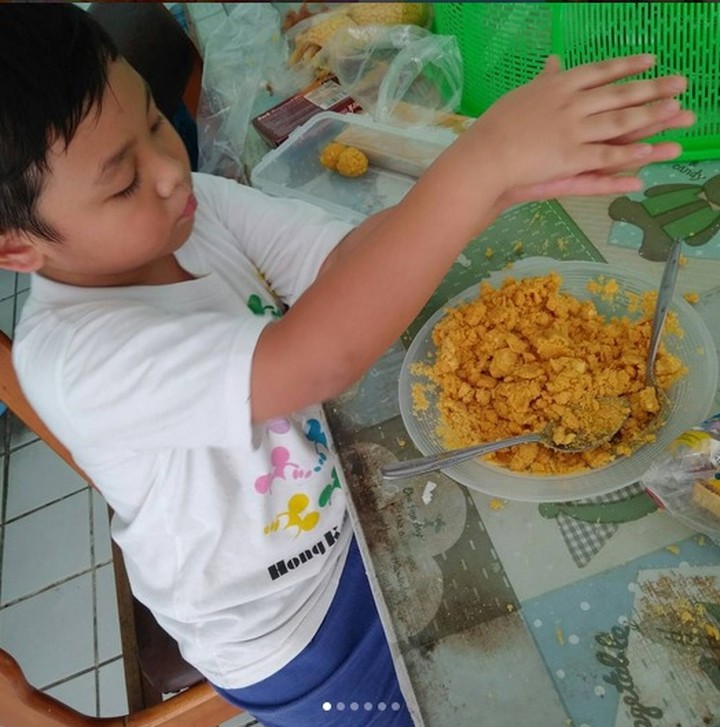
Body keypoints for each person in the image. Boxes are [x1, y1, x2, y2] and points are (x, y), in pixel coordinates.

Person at [0, 5, 693, 726]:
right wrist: (478, 161)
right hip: (290, 634)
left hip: (356, 518)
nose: (172, 170)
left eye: (152, 122)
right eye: (122, 182)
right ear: (17, 248)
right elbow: (316, 360)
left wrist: (501, 185)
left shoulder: (192, 208)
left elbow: (347, 262)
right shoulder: (77, 360)